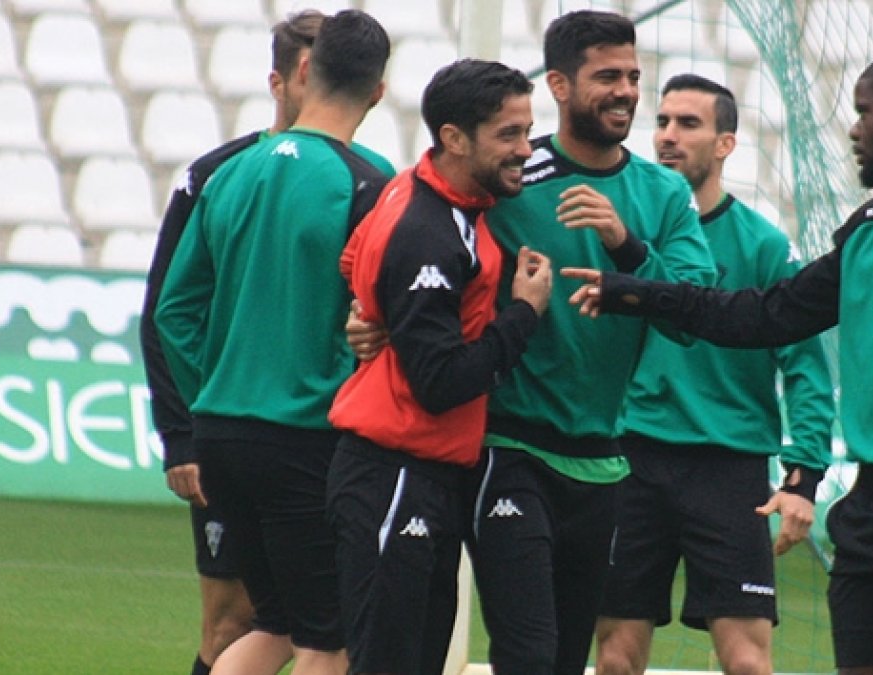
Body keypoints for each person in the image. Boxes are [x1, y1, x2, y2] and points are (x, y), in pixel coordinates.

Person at [565, 43, 873, 675]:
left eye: (864, 112)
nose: (853, 130)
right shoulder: (872, 222)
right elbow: (763, 315)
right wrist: (638, 289)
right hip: (872, 502)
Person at [137, 9, 395, 675]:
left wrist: (213, 389)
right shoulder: (369, 181)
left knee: (271, 621)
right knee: (330, 637)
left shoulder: (228, 173)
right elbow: (380, 316)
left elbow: (174, 309)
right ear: (378, 89)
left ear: (307, 72)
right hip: (309, 435)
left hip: (222, 433)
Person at [470, 11, 714, 675]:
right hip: (511, 446)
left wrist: (625, 246)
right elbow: (429, 233)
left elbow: (693, 312)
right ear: (558, 84)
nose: (626, 91)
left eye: (633, 76)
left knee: (567, 658)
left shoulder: (661, 191)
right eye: (606, 76)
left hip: (603, 463)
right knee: (528, 654)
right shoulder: (515, 176)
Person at [593, 74, 835, 675]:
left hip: (729, 472)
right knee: (617, 657)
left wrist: (803, 476)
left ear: (725, 144)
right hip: (632, 460)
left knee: (747, 662)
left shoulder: (762, 244)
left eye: (689, 124)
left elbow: (805, 366)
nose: (669, 136)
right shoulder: (622, 230)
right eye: (664, 121)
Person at [326, 58, 553, 675]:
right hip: (394, 473)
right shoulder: (431, 231)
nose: (524, 150)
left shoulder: (417, 190)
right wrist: (525, 315)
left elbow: (353, 260)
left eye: (527, 131)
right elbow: (441, 384)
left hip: (419, 474)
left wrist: (375, 310)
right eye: (508, 135)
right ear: (454, 138)